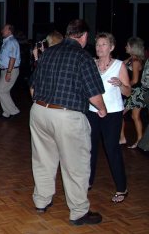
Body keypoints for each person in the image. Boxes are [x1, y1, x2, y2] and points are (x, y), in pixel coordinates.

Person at [29, 19, 107, 226]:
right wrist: (102, 109)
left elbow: (32, 88)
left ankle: (41, 200)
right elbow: (94, 94)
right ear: (83, 36)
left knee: (43, 160)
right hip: (66, 116)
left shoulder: (49, 53)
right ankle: (79, 212)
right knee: (76, 165)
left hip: (39, 111)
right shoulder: (83, 57)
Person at [87, 33, 130, 203]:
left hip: (112, 113)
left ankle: (122, 188)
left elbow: (128, 91)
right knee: (89, 148)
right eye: (97, 44)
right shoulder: (91, 63)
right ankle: (88, 182)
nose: (99, 47)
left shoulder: (119, 66)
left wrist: (120, 85)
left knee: (112, 149)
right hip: (92, 111)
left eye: (103, 44)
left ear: (111, 47)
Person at [120, 37, 146, 148]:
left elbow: (135, 80)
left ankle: (125, 138)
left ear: (133, 47)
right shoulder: (131, 59)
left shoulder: (135, 61)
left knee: (122, 114)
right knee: (135, 116)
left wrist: (124, 85)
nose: (125, 47)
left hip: (136, 92)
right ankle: (126, 139)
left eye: (127, 45)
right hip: (134, 91)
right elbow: (119, 64)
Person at [0, 24, 21, 119]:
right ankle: (6, 113)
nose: (2, 30)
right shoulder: (7, 42)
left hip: (11, 70)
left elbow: (13, 58)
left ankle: (14, 111)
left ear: (9, 31)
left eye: (4, 29)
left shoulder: (12, 42)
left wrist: (9, 72)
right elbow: (6, 57)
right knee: (4, 91)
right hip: (6, 70)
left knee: (1, 91)